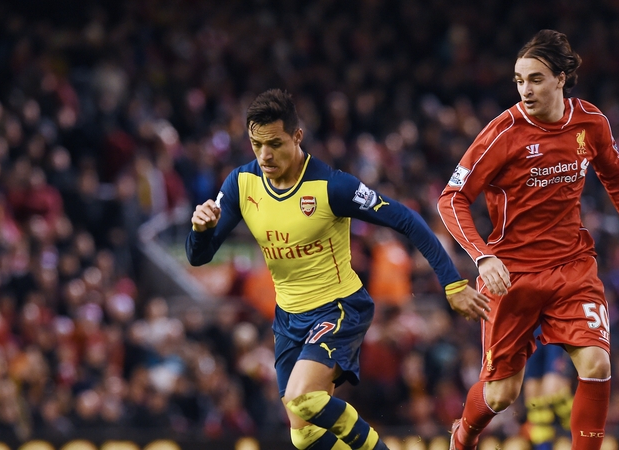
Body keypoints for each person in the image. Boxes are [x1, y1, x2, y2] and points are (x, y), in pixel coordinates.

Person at [186, 89, 491, 450]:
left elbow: (406, 219)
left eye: (275, 144)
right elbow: (198, 257)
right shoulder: (241, 184)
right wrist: (200, 229)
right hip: (287, 319)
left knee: (302, 398)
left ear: (297, 136)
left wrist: (452, 284)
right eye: (256, 144)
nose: (264, 155)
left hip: (339, 307)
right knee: (303, 436)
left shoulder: (332, 186)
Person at [438, 29, 619, 450]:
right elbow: (451, 199)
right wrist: (483, 257)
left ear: (560, 78)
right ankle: (463, 435)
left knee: (597, 363)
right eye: (519, 80)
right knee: (502, 394)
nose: (525, 89)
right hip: (511, 275)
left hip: (572, 266)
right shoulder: (502, 133)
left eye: (535, 78)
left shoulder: (590, 122)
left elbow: (616, 176)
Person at [522, 331, 573, 450]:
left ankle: (579, 439)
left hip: (556, 323)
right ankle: (542, 447)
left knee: (554, 388)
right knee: (533, 394)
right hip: (532, 326)